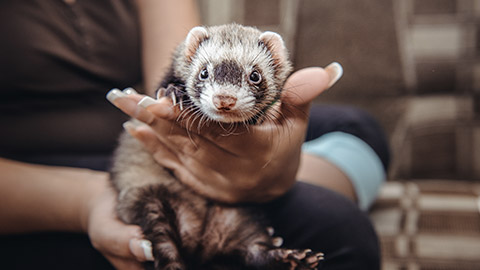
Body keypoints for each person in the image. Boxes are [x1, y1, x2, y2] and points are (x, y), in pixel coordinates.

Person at [0, 0, 389, 269]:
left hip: (155, 119)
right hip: (38, 170)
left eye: (255, 77)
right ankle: (254, 186)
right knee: (338, 229)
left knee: (358, 126)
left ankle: (263, 178)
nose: (226, 94)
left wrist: (269, 163)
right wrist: (88, 202)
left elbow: (178, 66)